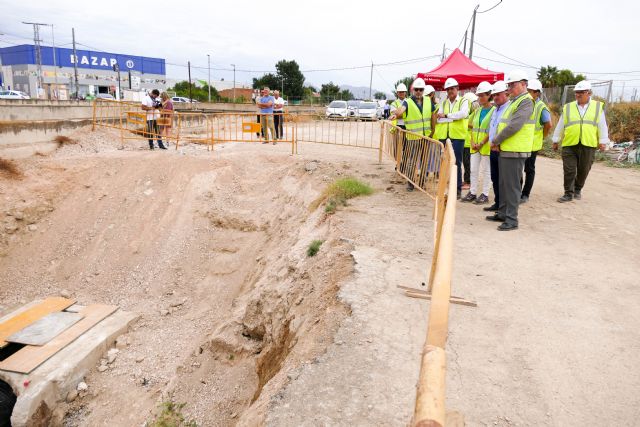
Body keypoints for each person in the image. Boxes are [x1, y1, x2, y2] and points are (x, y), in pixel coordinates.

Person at [486, 70, 534, 231]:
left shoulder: (526, 102)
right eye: (509, 85)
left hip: (515, 150)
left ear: (523, 84)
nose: (510, 88)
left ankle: (512, 219)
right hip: (507, 149)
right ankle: (503, 212)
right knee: (504, 183)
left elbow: (515, 126)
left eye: (513, 85)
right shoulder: (515, 101)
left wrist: (496, 140)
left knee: (512, 186)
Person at [552, 80, 609, 202]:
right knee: (569, 170)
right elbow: (561, 124)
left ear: (588, 93)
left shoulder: (597, 107)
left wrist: (603, 141)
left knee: (584, 169)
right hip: (569, 144)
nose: (578, 95)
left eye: (581, 92)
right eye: (576, 93)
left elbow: (602, 125)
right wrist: (556, 140)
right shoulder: (568, 107)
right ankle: (568, 193)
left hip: (588, 144)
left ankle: (577, 189)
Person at [388, 78, 433, 191]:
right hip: (413, 137)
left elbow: (433, 116)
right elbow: (401, 110)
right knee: (412, 161)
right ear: (413, 90)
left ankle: (422, 182)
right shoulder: (407, 102)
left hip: (426, 136)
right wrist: (396, 115)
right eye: (416, 89)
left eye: (421, 90)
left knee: (424, 161)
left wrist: (433, 131)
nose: (418, 92)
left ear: (423, 90)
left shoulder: (428, 100)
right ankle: (410, 182)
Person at [434, 77, 470, 199]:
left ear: (457, 89)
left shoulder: (463, 101)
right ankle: (444, 187)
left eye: (452, 88)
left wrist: (447, 115)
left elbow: (463, 114)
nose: (450, 91)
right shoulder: (444, 102)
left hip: (457, 136)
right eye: (448, 89)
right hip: (445, 135)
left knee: (456, 163)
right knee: (444, 162)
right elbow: (440, 117)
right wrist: (450, 117)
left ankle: (457, 190)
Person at [461, 82, 495, 204]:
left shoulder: (494, 111)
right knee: (473, 170)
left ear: (489, 95)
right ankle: (473, 192)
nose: (480, 98)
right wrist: (472, 142)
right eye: (478, 95)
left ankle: (485, 194)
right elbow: (469, 126)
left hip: (485, 146)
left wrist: (481, 143)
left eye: (482, 95)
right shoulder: (477, 111)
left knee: (486, 171)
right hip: (474, 146)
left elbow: (492, 130)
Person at [520, 79, 551, 203]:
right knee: (518, 169)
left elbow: (548, 124)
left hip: (532, 145)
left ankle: (525, 194)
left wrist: (543, 136)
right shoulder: (525, 103)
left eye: (530, 91)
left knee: (529, 169)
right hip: (522, 143)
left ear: (537, 93)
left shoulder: (540, 107)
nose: (528, 93)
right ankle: (518, 192)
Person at [483, 81, 510, 212]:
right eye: (493, 95)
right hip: (493, 149)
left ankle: (503, 207)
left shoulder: (509, 109)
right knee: (495, 178)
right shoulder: (496, 110)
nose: (495, 97)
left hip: (502, 149)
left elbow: (508, 130)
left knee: (503, 180)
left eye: (498, 94)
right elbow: (492, 128)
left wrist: (497, 143)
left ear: (506, 93)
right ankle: (498, 203)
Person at [462, 92, 479, 190]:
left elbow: (475, 126)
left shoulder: (475, 113)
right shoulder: (469, 112)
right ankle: (467, 180)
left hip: (469, 141)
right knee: (466, 162)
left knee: (468, 163)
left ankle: (469, 182)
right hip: (465, 140)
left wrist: (466, 124)